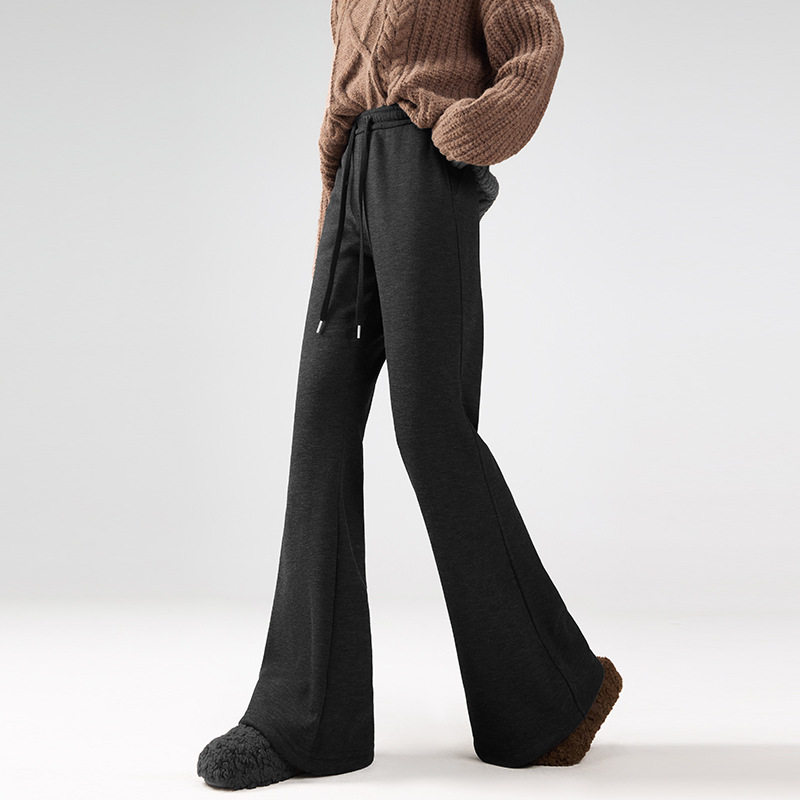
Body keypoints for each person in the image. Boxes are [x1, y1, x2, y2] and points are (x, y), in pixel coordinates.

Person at [197, 0, 622, 790]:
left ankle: (552, 694)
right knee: (320, 424)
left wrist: (465, 133)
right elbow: (343, 93)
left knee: (430, 428)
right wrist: (334, 213)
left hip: (424, 172)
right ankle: (307, 720)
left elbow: (534, 46)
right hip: (353, 177)